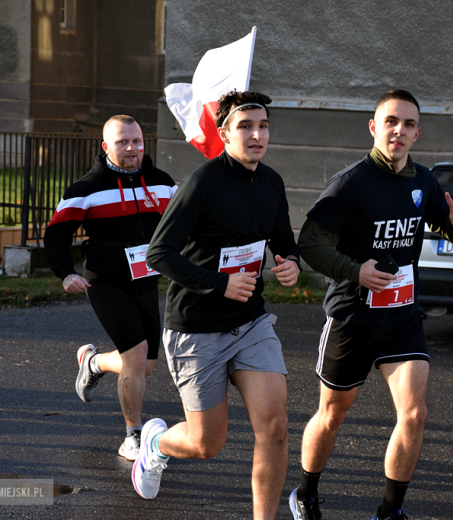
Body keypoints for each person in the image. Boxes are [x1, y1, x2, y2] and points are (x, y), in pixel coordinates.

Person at [288, 89, 453, 520]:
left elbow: (445, 226)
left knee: (414, 413)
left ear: (417, 133)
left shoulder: (422, 181)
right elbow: (310, 244)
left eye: (408, 124)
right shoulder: (350, 183)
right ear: (374, 127)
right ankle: (306, 493)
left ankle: (389, 513)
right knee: (333, 413)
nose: (399, 131)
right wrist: (357, 272)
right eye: (391, 121)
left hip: (402, 316)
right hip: (352, 317)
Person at [134, 90, 301, 520]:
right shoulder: (201, 183)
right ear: (224, 132)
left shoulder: (271, 182)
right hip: (196, 327)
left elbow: (282, 241)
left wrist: (291, 265)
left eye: (263, 126)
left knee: (276, 428)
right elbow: (159, 254)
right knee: (207, 444)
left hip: (250, 322)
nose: (257, 135)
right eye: (245, 126)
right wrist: (219, 284)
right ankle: (154, 445)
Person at [44, 115, 177, 461]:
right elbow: (56, 233)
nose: (131, 148)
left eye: (137, 141)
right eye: (122, 142)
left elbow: (185, 226)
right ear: (106, 147)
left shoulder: (163, 184)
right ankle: (133, 435)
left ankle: (93, 363)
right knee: (135, 357)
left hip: (146, 281)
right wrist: (64, 273)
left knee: (145, 366)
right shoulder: (86, 189)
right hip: (104, 282)